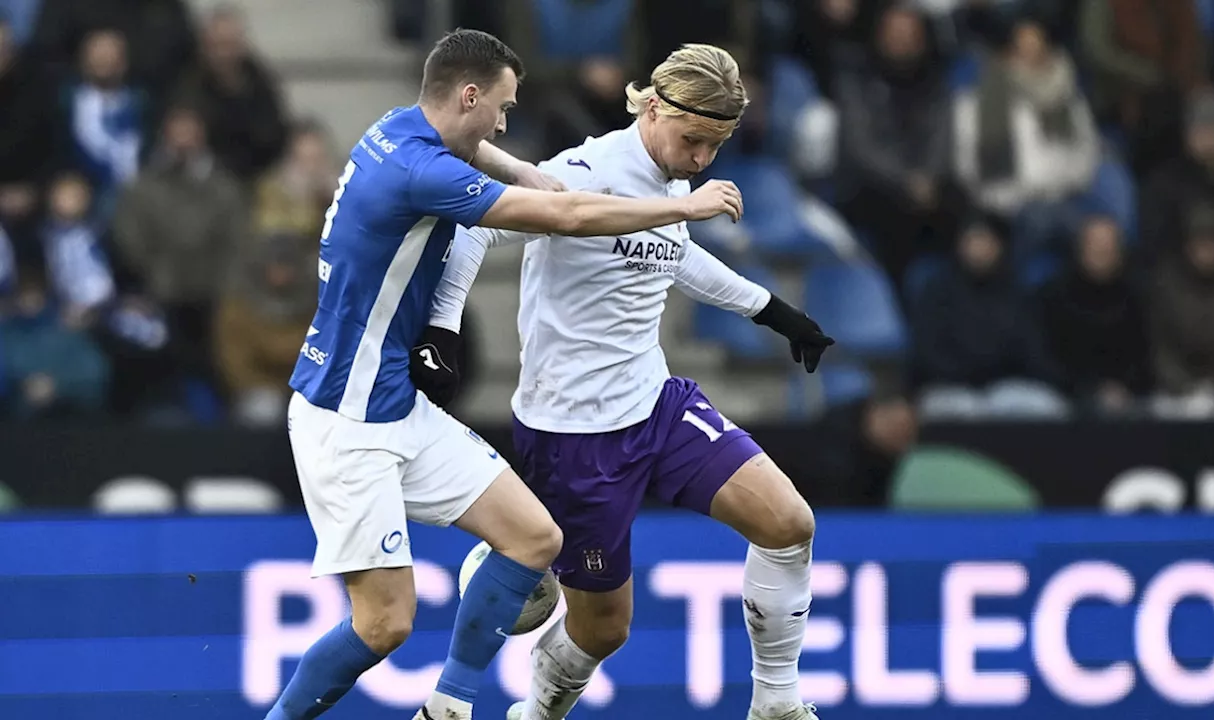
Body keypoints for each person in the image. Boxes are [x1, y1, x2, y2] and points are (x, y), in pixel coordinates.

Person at [267, 29, 745, 720]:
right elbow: (571, 214)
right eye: (502, 107)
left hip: (395, 403)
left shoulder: (393, 132)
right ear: (469, 95)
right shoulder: (422, 173)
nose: (502, 120)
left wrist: (516, 163)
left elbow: (472, 145)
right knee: (384, 623)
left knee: (535, 537)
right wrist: (682, 207)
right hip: (345, 422)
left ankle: (449, 706)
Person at [418, 44, 832, 720]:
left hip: (656, 405)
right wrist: (443, 326)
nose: (700, 160)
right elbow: (475, 231)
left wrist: (776, 314)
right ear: (656, 107)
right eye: (693, 140)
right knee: (605, 629)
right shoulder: (584, 171)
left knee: (788, 524)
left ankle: (776, 704)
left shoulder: (672, 182)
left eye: (714, 149)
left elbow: (673, 255)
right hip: (573, 435)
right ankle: (539, 710)